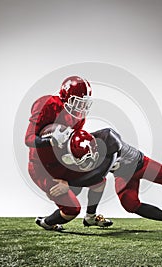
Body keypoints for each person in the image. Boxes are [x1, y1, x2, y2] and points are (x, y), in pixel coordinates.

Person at [45, 127, 162, 232]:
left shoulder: (109, 138)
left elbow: (100, 174)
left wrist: (70, 182)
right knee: (130, 205)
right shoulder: (77, 151)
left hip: (141, 165)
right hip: (123, 175)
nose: (87, 162)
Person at [25, 76, 112, 231]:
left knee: (99, 181)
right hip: (43, 167)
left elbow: (72, 145)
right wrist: (50, 141)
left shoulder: (78, 116)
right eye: (78, 101)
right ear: (65, 96)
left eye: (84, 102)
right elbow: (29, 139)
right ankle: (47, 222)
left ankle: (91, 217)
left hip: (62, 162)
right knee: (72, 210)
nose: (81, 107)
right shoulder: (47, 104)